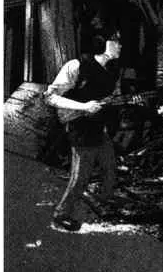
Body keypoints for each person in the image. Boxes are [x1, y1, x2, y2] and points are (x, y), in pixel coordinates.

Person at [44, 29, 123, 231]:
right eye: (115, 41)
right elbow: (50, 97)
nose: (120, 45)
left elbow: (111, 97)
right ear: (102, 43)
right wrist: (83, 107)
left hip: (98, 128)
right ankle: (61, 215)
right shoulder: (76, 65)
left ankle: (101, 204)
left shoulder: (113, 70)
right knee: (81, 176)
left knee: (110, 168)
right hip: (80, 128)